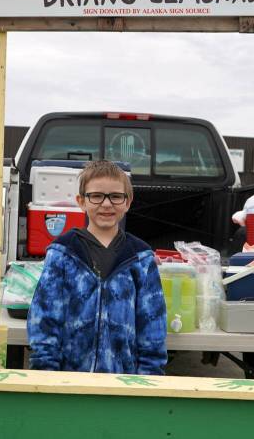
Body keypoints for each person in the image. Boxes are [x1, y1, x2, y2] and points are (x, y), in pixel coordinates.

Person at [28, 160, 167, 374]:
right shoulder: (62, 253)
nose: (106, 204)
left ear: (127, 202)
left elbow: (152, 326)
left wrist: (148, 379)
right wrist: (45, 373)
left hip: (123, 383)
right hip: (69, 381)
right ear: (81, 201)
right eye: (96, 196)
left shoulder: (141, 258)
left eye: (115, 196)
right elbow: (45, 318)